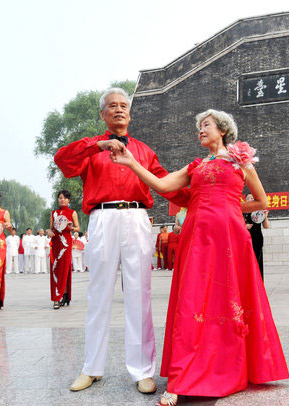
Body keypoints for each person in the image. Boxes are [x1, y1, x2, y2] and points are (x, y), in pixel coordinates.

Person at [110, 109, 289, 404]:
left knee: (229, 298)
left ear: (222, 129)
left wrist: (230, 207)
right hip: (197, 236)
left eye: (205, 125)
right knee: (192, 300)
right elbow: (164, 186)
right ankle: (182, 378)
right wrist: (131, 163)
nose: (200, 131)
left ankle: (230, 366)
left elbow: (262, 200)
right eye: (199, 127)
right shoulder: (195, 165)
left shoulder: (240, 161)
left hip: (231, 236)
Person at [54, 87, 189, 394]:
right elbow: (62, 160)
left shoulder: (143, 150)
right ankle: (91, 367)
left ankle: (142, 370)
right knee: (98, 293)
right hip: (101, 218)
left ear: (130, 113)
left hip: (136, 218)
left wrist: (203, 195)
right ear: (103, 114)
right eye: (111, 106)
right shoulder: (91, 151)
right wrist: (97, 144)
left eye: (123, 106)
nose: (118, 110)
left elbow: (167, 185)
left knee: (139, 293)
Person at [47, 190, 80, 309]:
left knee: (64, 268)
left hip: (65, 244)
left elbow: (78, 228)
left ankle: (60, 296)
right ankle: (60, 295)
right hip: (56, 243)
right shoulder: (53, 213)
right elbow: (51, 229)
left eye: (64, 198)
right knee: (56, 269)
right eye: (60, 198)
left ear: (68, 200)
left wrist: (72, 228)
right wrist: (49, 232)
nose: (62, 200)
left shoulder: (72, 213)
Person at [244, 194, 270, 280]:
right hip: (244, 239)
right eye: (248, 198)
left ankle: (259, 283)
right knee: (246, 262)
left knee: (257, 260)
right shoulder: (242, 212)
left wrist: (265, 216)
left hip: (257, 238)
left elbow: (266, 226)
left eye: (252, 198)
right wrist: (244, 226)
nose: (250, 200)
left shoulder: (259, 212)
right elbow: (234, 225)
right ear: (245, 201)